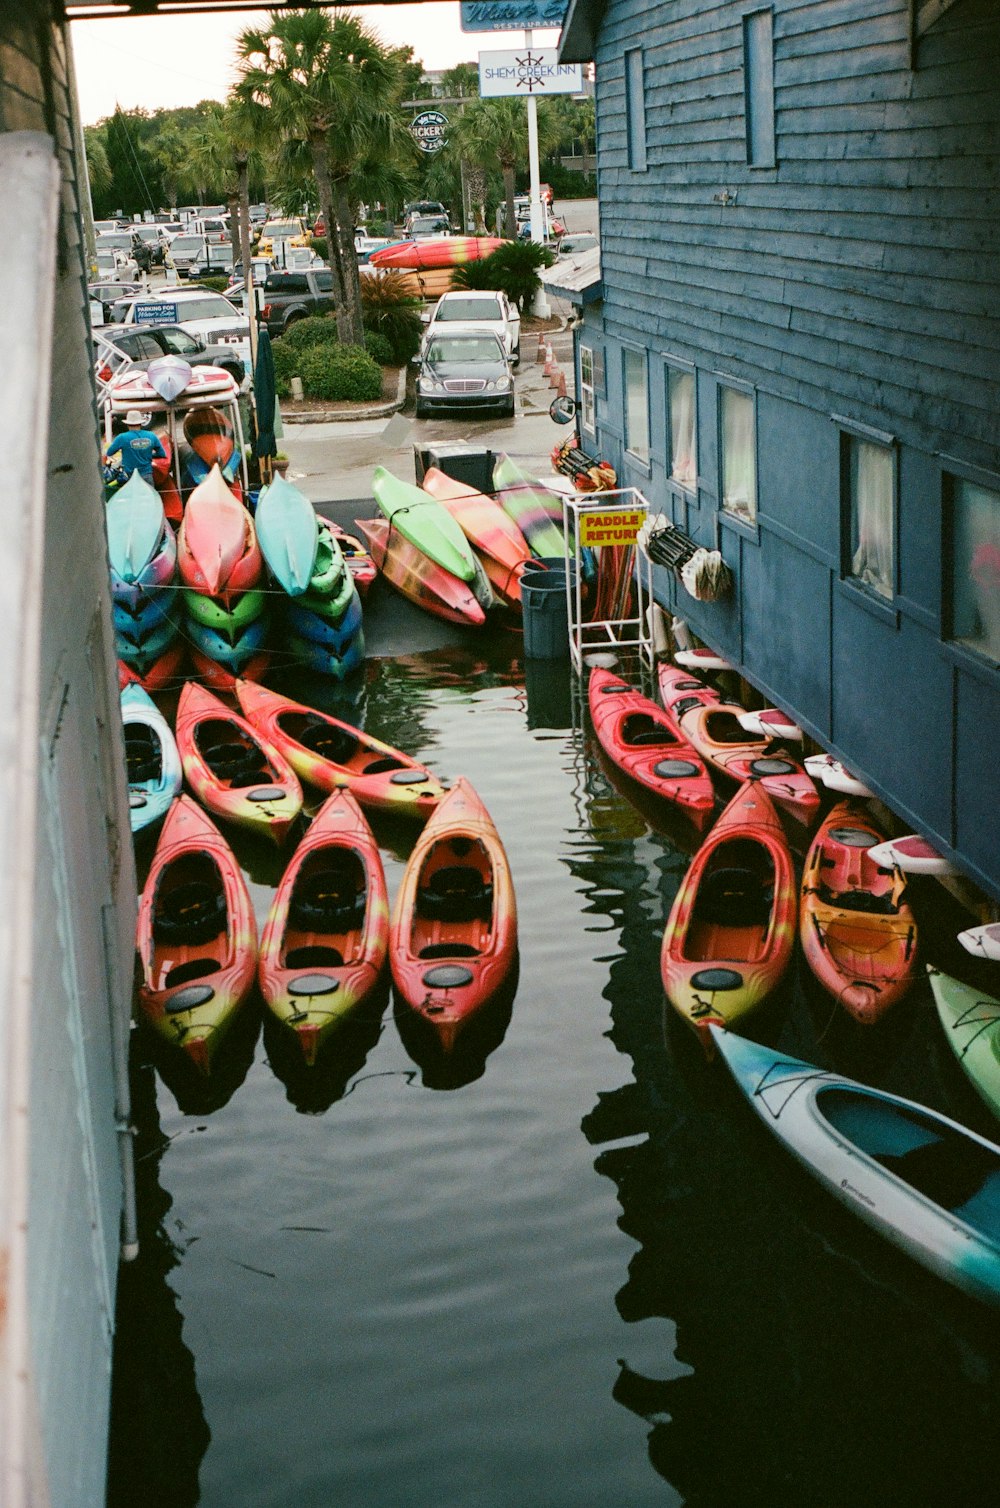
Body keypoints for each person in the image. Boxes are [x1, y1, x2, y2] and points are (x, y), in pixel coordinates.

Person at [106, 410, 167, 484]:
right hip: (147, 476)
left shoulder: (122, 438)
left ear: (127, 424)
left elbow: (109, 452)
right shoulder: (151, 436)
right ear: (141, 423)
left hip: (130, 477)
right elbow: (162, 454)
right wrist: (149, 455)